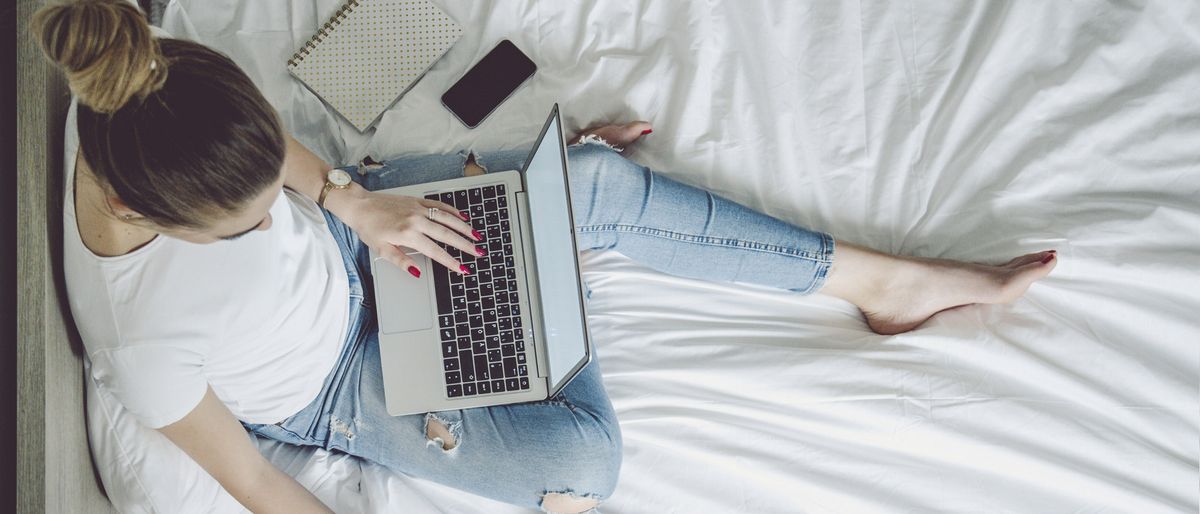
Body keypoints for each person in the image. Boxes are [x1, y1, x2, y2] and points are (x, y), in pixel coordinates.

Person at [36, 1, 1057, 513]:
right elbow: (259, 483)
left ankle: (885, 284)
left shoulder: (140, 94)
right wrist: (529, 242)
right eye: (245, 227)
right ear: (142, 212)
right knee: (582, 465)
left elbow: (272, 163)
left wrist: (346, 201)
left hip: (365, 249)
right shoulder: (145, 341)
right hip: (337, 385)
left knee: (590, 187)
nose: (272, 223)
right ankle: (544, 254)